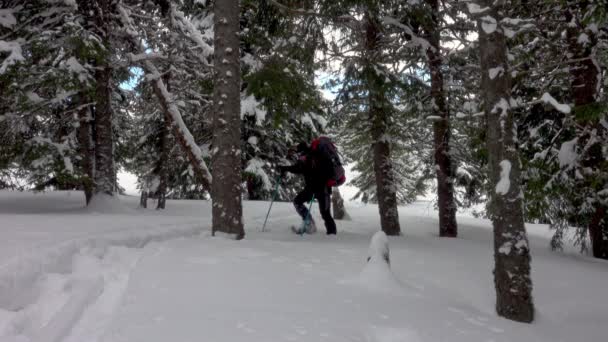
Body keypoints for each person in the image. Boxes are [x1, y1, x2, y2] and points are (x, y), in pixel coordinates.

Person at [279, 142, 337, 235]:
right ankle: (309, 224)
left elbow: (328, 171)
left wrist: (320, 180)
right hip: (311, 188)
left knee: (325, 213)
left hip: (323, 189)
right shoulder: (305, 158)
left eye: (300, 153)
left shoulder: (318, 156)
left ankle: (332, 235)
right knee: (297, 201)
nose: (300, 156)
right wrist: (285, 168)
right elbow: (299, 168)